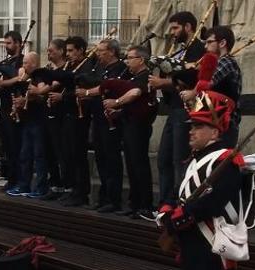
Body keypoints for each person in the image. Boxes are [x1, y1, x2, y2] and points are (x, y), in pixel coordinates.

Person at [158, 90, 240, 270]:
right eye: (191, 125)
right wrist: (167, 209)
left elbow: (214, 201)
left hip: (212, 239)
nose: (191, 131)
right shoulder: (196, 159)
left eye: (198, 126)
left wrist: (182, 215)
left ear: (216, 130)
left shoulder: (227, 160)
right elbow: (180, 192)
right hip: (190, 239)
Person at [150, 11, 205, 206]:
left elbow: (190, 80)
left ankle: (180, 204)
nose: (172, 32)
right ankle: (165, 203)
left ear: (188, 27)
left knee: (179, 159)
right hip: (173, 108)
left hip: (185, 109)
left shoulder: (198, 49)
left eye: (175, 28)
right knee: (164, 158)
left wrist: (162, 82)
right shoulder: (177, 49)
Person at [103, 45, 156, 219]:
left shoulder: (144, 76)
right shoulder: (133, 76)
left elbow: (134, 94)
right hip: (129, 123)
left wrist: (116, 102)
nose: (126, 61)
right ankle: (135, 203)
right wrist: (118, 112)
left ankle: (145, 204)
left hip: (139, 126)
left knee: (139, 164)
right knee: (132, 166)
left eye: (130, 58)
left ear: (140, 60)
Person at [76, 39, 127, 212]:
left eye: (101, 51)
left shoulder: (119, 68)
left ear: (112, 51)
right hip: (98, 118)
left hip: (111, 120)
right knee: (101, 159)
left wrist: (88, 91)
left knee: (111, 160)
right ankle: (104, 196)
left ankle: (114, 199)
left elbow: (106, 87)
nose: (98, 54)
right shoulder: (101, 68)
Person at [181, 26, 242, 148]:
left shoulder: (227, 62)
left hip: (225, 124)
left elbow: (208, 82)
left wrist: (191, 93)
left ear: (222, 43)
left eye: (209, 42)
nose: (205, 46)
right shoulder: (215, 62)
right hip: (212, 122)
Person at [59, 36, 96, 207]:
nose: (68, 54)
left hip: (80, 116)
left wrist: (63, 96)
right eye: (67, 51)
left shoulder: (87, 66)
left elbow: (83, 88)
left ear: (81, 50)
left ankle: (82, 192)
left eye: (71, 50)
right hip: (67, 114)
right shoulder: (70, 66)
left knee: (78, 155)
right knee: (68, 154)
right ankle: (73, 189)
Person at [0, 30, 24, 191]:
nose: (5, 46)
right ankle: (10, 178)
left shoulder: (22, 62)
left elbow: (21, 78)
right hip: (4, 108)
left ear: (17, 43)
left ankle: (18, 180)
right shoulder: (7, 63)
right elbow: (1, 82)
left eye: (9, 43)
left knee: (16, 147)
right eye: (5, 42)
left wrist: (1, 83)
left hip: (17, 109)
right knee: (7, 147)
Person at [7, 52, 49, 198]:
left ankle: (40, 187)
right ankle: (24, 185)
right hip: (27, 121)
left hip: (39, 121)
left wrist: (28, 99)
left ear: (34, 63)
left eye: (26, 63)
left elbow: (42, 95)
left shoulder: (39, 76)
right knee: (25, 155)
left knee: (39, 156)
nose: (23, 66)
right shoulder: (23, 80)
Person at [40, 39, 68, 200]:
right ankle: (54, 184)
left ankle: (65, 186)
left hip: (61, 116)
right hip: (47, 113)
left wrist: (40, 89)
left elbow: (49, 86)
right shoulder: (48, 69)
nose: (48, 53)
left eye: (51, 50)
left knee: (61, 153)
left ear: (61, 51)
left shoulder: (65, 68)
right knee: (49, 152)